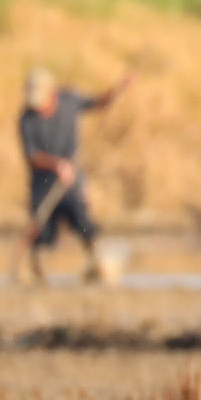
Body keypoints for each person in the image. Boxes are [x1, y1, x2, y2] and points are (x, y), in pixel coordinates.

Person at [19, 67, 131, 284]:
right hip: (42, 185)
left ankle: (98, 265)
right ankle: (37, 274)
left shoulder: (69, 101)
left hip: (71, 183)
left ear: (52, 93)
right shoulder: (27, 118)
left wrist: (118, 90)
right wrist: (57, 165)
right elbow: (32, 155)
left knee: (83, 222)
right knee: (42, 233)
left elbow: (99, 104)